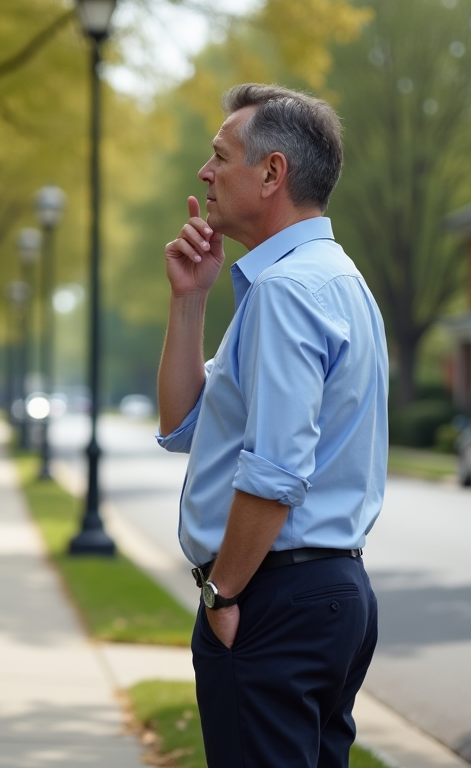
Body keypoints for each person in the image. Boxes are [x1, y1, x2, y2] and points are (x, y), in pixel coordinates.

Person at [156, 83, 388, 767]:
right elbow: (183, 424)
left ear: (272, 172)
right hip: (327, 595)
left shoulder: (287, 292)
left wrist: (221, 591)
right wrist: (189, 301)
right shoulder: (332, 279)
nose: (206, 173)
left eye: (219, 155)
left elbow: (275, 469)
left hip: (271, 597)